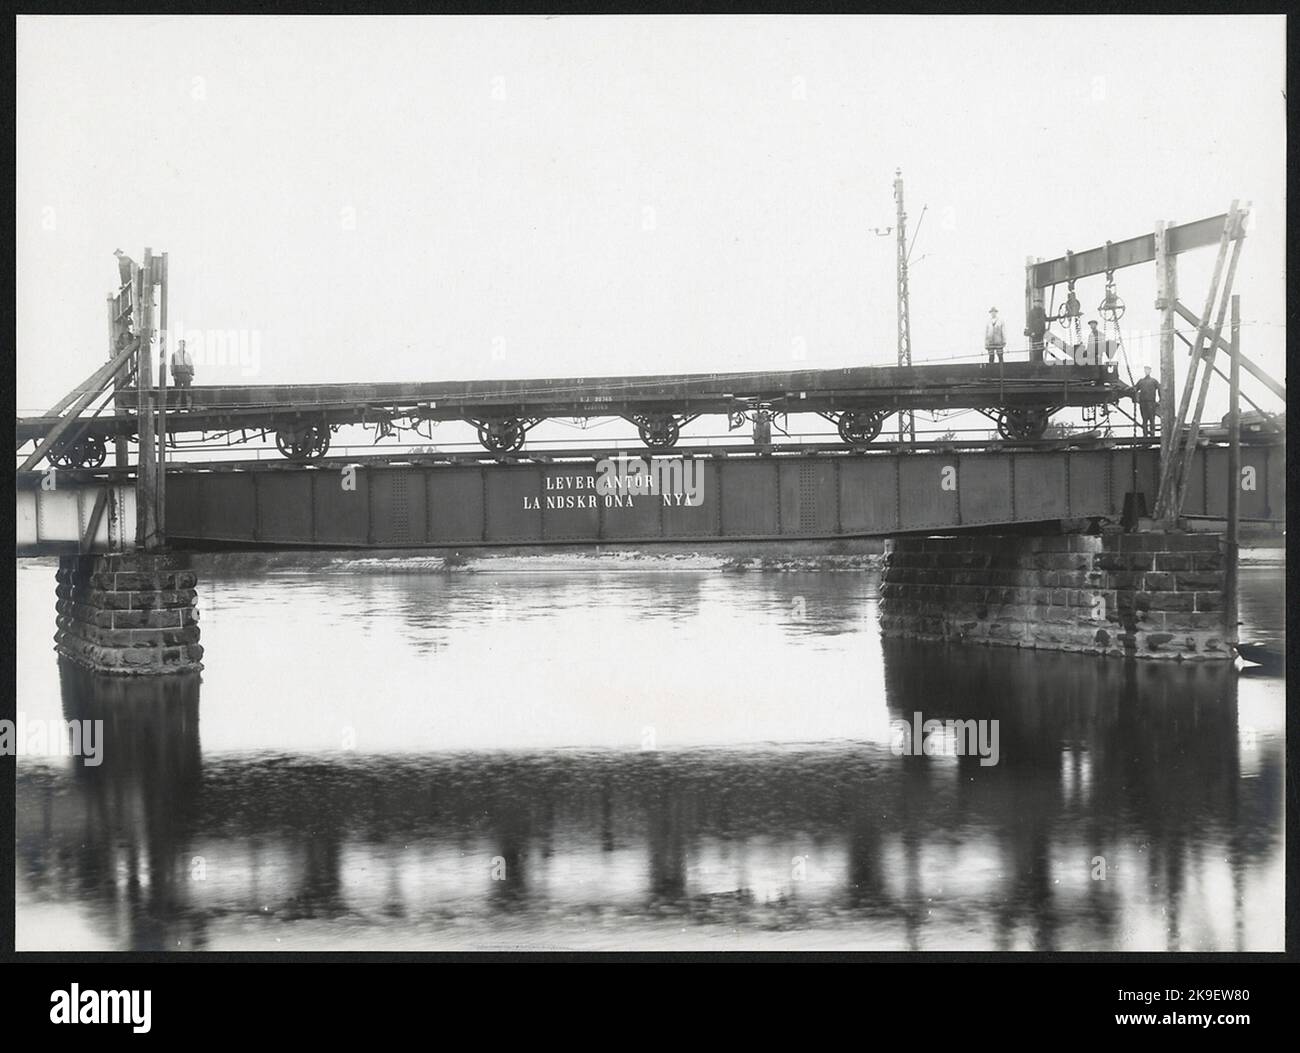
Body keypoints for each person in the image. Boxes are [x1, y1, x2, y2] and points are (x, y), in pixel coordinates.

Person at [1133, 366, 1160, 437]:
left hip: (1151, 403)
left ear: (1150, 371)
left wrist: (1160, 400)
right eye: (1146, 370)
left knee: (1151, 419)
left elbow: (1160, 389)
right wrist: (1134, 395)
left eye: (1148, 370)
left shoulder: (1154, 381)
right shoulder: (1141, 381)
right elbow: (1135, 389)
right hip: (1143, 403)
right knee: (1144, 419)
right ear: (1144, 371)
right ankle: (1145, 434)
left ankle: (1152, 434)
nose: (1147, 371)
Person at [171, 339, 195, 410]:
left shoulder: (187, 354)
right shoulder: (175, 354)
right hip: (178, 374)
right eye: (181, 344)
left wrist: (192, 373)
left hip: (186, 374)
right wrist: (173, 374)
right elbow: (172, 365)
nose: (183, 345)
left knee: (188, 392)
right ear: (179, 345)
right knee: (177, 392)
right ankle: (177, 408)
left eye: (184, 344)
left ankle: (189, 407)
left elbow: (190, 364)